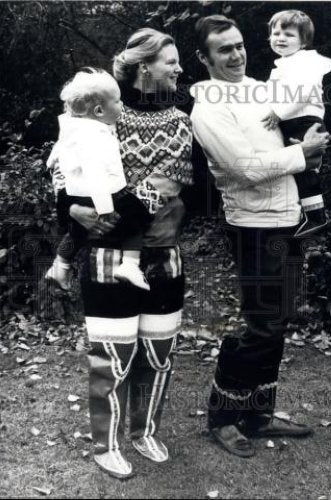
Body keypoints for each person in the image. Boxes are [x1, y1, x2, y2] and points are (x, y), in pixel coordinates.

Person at [51, 28, 193, 478]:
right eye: (169, 61)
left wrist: (103, 221)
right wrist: (73, 208)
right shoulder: (101, 114)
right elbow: (61, 171)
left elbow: (170, 186)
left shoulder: (181, 121)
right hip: (106, 259)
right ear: (142, 67)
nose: (178, 68)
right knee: (111, 357)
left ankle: (143, 430)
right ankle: (106, 443)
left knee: (158, 352)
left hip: (161, 252)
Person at [190, 15, 330, 458]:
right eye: (223, 49)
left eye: (238, 45)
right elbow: (245, 169)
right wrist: (302, 153)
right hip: (253, 226)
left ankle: (258, 412)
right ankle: (222, 415)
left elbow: (301, 106)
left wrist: (311, 131)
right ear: (204, 58)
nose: (235, 54)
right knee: (262, 323)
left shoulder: (262, 87)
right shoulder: (208, 107)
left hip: (288, 217)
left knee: (279, 318)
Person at [46, 69, 157, 291]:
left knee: (77, 231)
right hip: (99, 194)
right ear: (98, 110)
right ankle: (130, 265)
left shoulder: (72, 129)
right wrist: (105, 208)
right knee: (138, 213)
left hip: (75, 193)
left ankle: (61, 264)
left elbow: (52, 161)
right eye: (117, 101)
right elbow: (95, 171)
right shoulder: (95, 136)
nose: (122, 105)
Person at [263, 10, 331, 237]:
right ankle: (301, 215)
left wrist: (278, 113)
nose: (281, 38)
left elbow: (303, 92)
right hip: (291, 121)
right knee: (292, 168)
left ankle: (317, 215)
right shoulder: (282, 65)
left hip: (304, 121)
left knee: (306, 168)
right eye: (276, 33)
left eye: (289, 34)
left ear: (303, 41)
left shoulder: (306, 62)